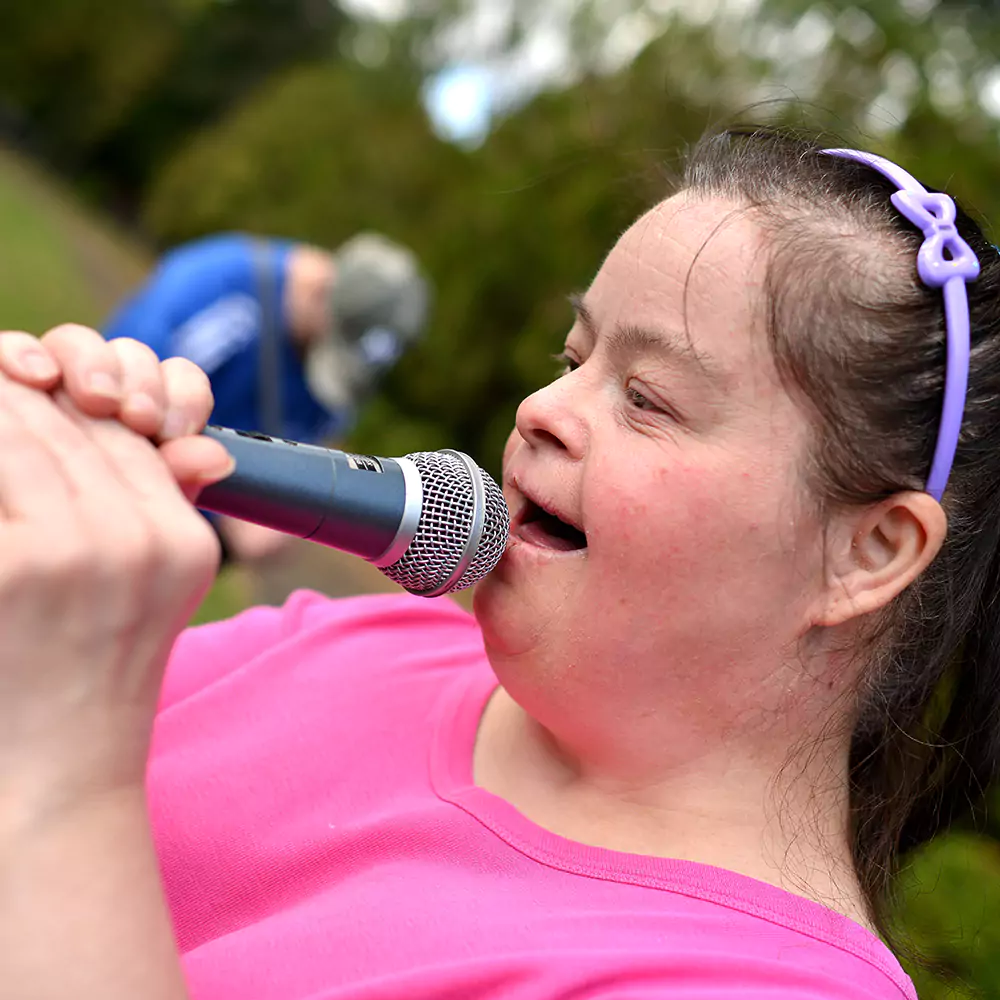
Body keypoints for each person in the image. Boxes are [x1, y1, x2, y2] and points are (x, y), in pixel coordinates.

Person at [1, 128, 996, 1000]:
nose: (540, 410)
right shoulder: (363, 634)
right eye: (575, 360)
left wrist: (61, 775)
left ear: (870, 551)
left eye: (647, 397)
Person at [103, 230, 430, 563]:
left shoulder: (344, 385)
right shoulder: (220, 287)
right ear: (321, 291)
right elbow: (121, 393)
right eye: (326, 347)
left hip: (170, 551)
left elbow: (311, 446)